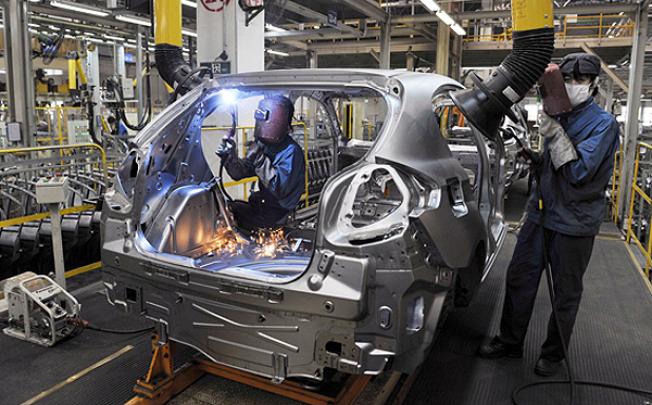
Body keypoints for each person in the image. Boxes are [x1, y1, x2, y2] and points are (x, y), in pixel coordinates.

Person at [477, 53, 620, 377]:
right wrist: (537, 157)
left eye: (580, 81)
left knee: (565, 294)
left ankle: (553, 355)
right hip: (541, 213)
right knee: (519, 279)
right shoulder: (560, 113)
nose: (573, 87)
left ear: (594, 84)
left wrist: (553, 133)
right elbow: (555, 163)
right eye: (567, 80)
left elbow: (579, 172)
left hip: (574, 222)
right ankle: (510, 342)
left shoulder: (603, 124)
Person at [216, 95, 306, 232]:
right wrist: (229, 156)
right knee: (225, 209)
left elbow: (279, 189)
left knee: (234, 218)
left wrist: (259, 159)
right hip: (262, 204)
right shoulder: (264, 145)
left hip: (279, 214)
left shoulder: (291, 152)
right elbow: (239, 174)